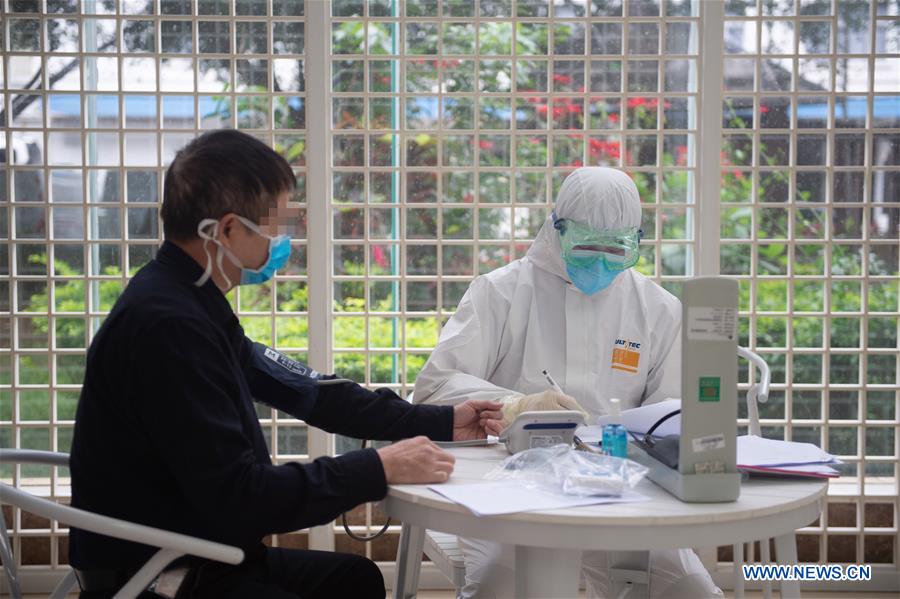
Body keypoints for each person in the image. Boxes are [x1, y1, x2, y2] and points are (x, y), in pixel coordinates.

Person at [69, 130, 502, 599]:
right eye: (275, 223)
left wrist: (440, 420)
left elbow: (309, 391)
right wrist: (376, 468)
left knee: (356, 579)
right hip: (163, 576)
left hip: (205, 553)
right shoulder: (168, 328)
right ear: (227, 230)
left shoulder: (188, 301)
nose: (283, 239)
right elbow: (244, 498)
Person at [413, 167, 722, 598]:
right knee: (503, 588)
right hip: (507, 490)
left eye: (615, 249)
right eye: (587, 246)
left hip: (621, 495)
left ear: (636, 241)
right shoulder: (500, 293)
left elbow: (671, 416)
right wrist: (516, 406)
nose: (600, 262)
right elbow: (434, 388)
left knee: (690, 590)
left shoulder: (657, 308)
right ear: (555, 228)